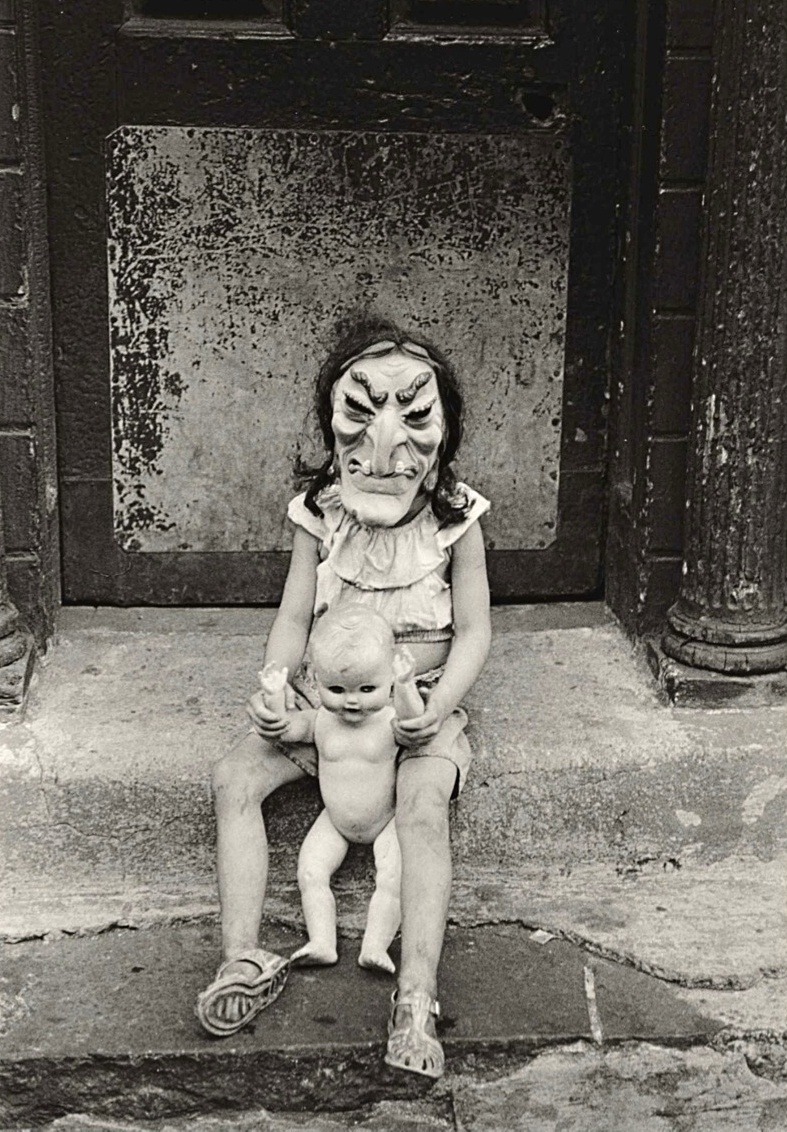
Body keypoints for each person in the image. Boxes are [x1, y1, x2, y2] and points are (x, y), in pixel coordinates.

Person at [196, 315, 491, 1079]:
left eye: (414, 415)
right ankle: (240, 959)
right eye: (360, 413)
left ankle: (416, 994)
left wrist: (435, 704)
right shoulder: (319, 513)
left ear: (444, 429)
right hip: (324, 706)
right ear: (331, 424)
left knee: (422, 808)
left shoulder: (457, 521)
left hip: (414, 705)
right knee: (234, 776)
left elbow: (474, 635)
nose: (386, 444)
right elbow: (295, 617)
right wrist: (273, 685)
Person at [259, 606, 424, 976]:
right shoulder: (320, 721)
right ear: (316, 682)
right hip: (333, 821)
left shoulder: (390, 718)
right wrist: (273, 695)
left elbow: (414, 722)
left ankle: (376, 945)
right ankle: (321, 941)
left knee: (394, 877)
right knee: (310, 872)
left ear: (388, 681)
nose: (352, 700)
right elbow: (283, 729)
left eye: (368, 689)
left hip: (387, 821)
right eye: (336, 689)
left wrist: (408, 684)